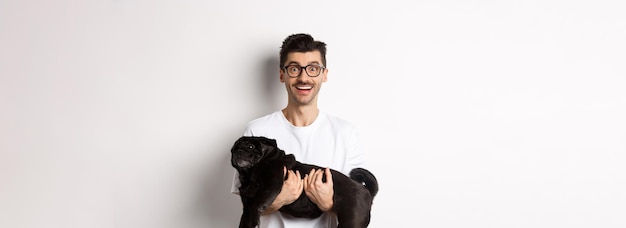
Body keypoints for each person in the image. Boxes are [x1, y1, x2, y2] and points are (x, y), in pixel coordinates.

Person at [231, 33, 366, 228]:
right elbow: (246, 205)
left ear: (324, 74)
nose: (304, 78)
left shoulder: (346, 133)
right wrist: (278, 199)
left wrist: (329, 203)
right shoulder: (257, 132)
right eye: (294, 68)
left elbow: (360, 206)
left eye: (312, 68)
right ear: (282, 74)